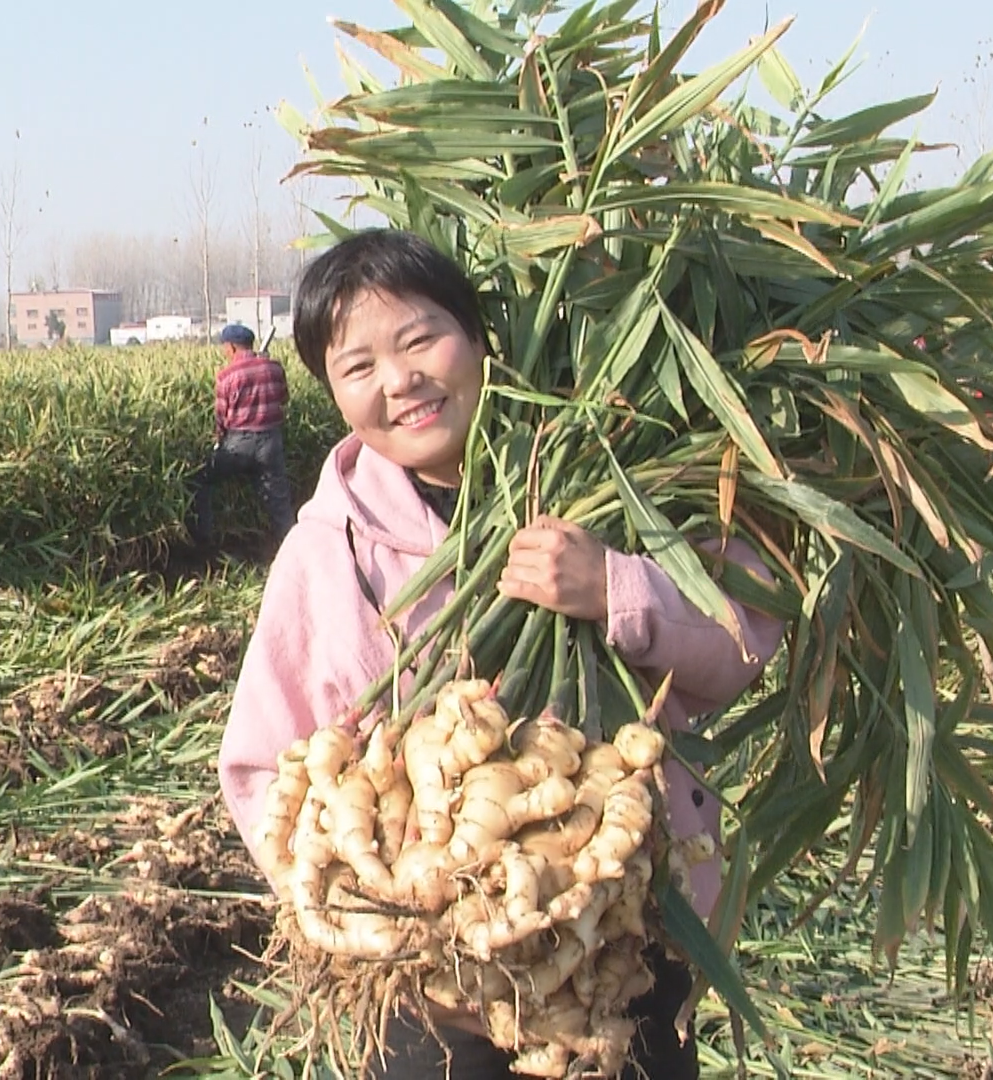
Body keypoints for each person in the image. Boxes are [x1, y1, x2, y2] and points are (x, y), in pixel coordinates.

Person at [215, 229, 784, 1080]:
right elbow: (259, 767)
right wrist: (380, 916)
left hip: (625, 939)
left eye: (419, 340)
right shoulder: (324, 553)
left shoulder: (615, 485)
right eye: (357, 366)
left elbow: (744, 641)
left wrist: (614, 586)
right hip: (421, 988)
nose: (399, 381)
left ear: (478, 339)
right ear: (331, 393)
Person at [189, 323, 296, 553]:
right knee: (279, 500)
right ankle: (292, 549)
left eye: (224, 347)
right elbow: (283, 398)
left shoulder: (226, 376)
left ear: (231, 347)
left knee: (201, 479)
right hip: (271, 442)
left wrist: (219, 440)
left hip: (239, 444)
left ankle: (204, 540)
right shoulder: (274, 368)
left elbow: (221, 417)